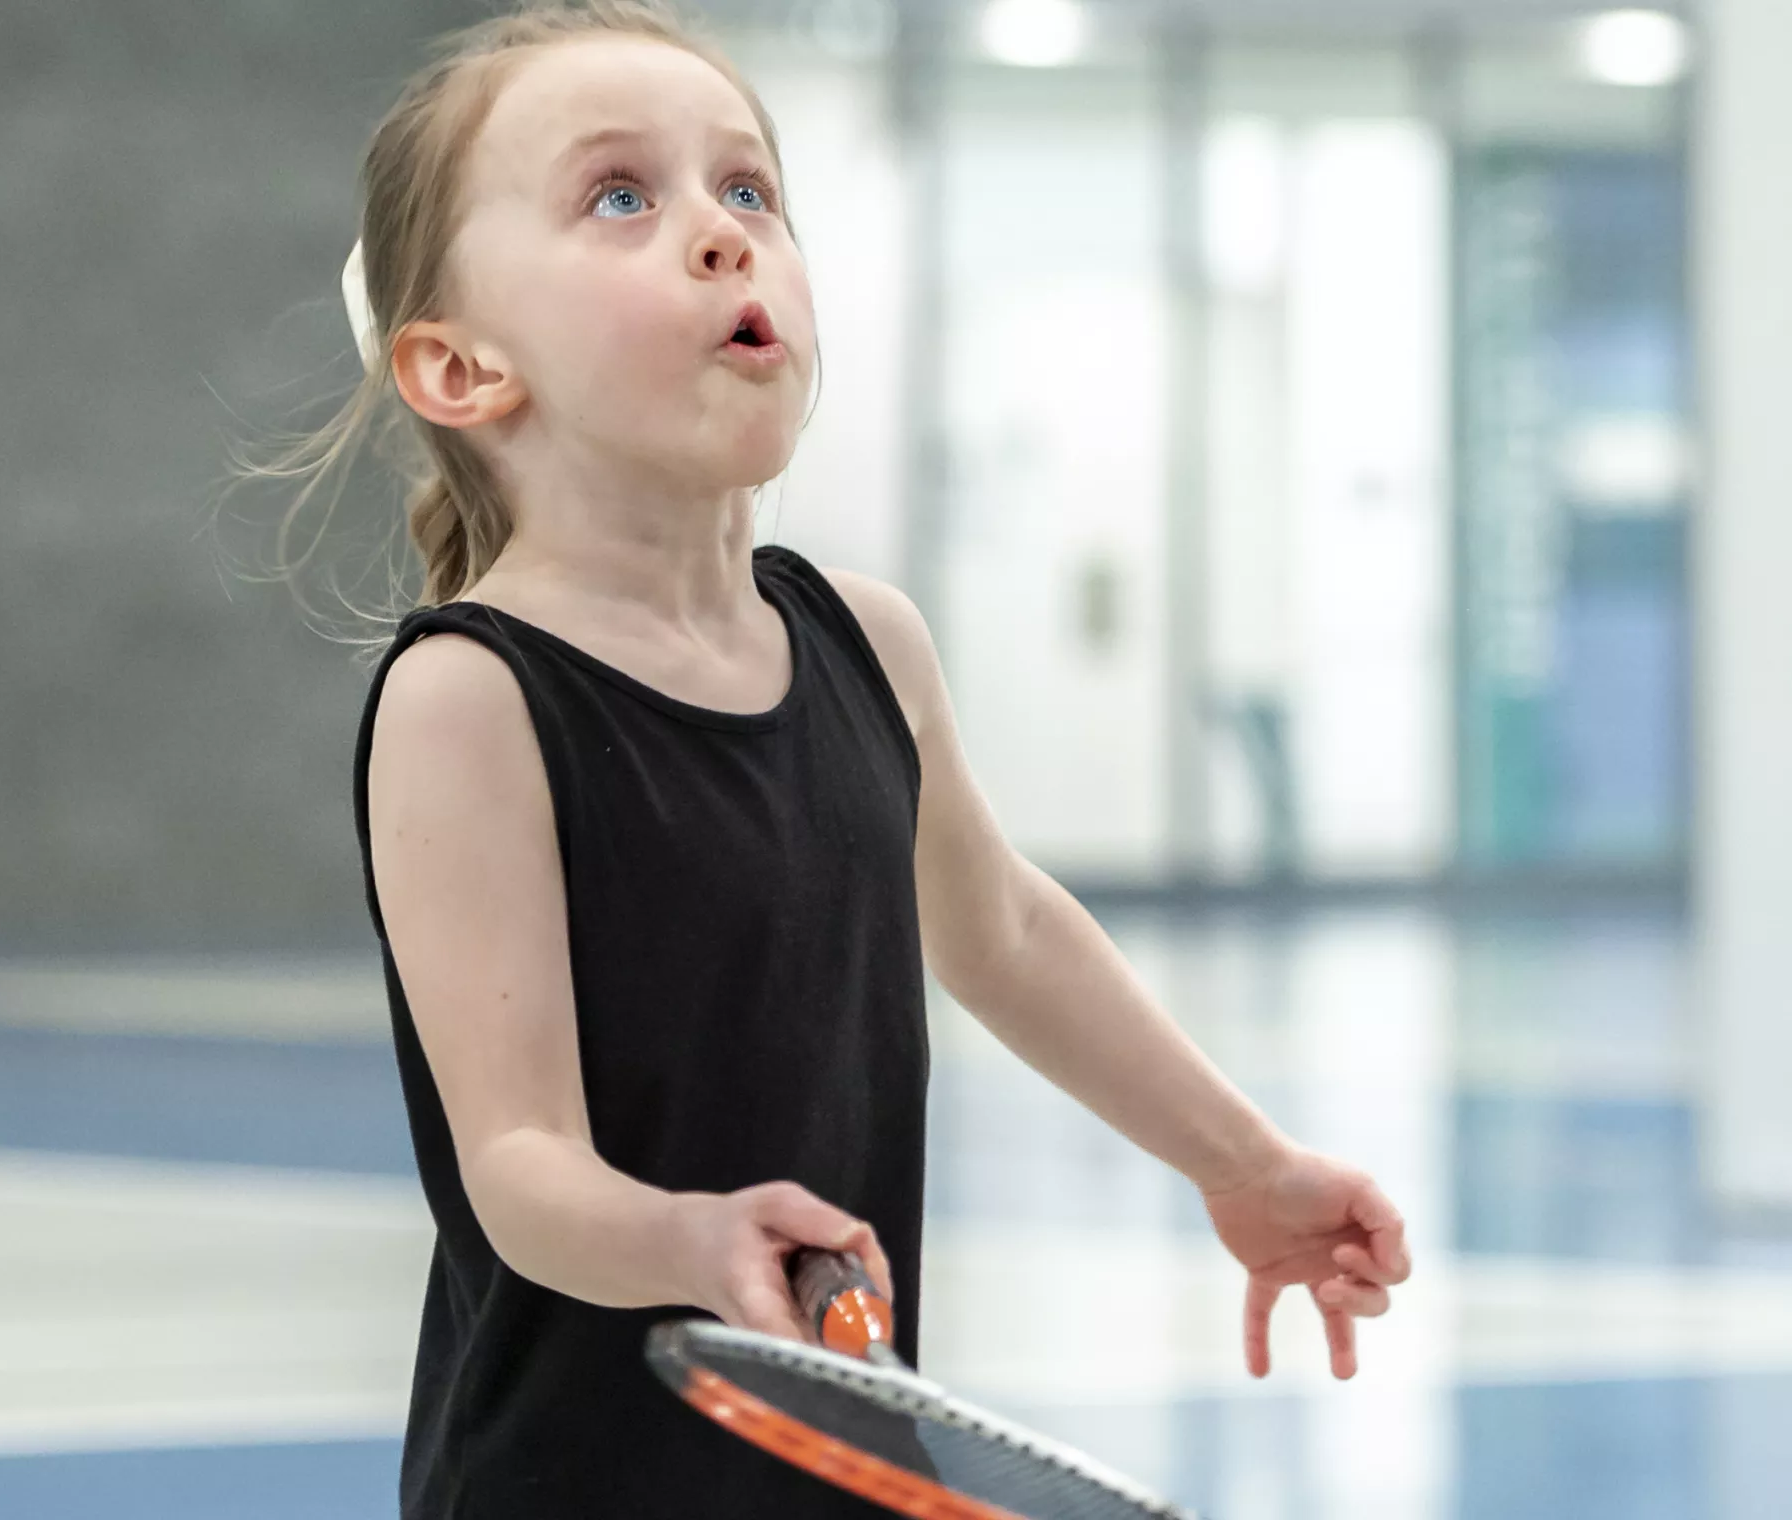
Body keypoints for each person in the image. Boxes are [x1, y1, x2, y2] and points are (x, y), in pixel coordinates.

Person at [314, 3, 1411, 1514]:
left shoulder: (869, 646)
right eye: (618, 197)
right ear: (458, 369)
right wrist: (686, 1242)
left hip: (841, 1460)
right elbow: (516, 1163)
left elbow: (1006, 933)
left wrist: (1244, 1164)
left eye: (748, 190)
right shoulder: (473, 699)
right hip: (573, 1481)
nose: (718, 235)